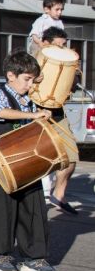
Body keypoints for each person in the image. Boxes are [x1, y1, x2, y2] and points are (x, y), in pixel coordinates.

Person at [0, 50, 59, 271]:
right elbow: (0, 112)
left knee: (34, 209)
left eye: (32, 79)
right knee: (2, 209)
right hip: (4, 161)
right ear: (10, 75)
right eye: (26, 79)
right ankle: (1, 256)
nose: (29, 84)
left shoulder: (32, 97)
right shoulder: (0, 93)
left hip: (30, 161)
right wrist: (34, 116)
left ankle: (34, 257)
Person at [37, 26, 78, 215]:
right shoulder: (33, 62)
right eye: (58, 46)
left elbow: (70, 87)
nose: (63, 50)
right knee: (38, 158)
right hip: (36, 111)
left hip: (58, 112)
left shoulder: (65, 62)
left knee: (71, 158)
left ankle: (58, 195)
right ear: (45, 44)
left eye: (64, 46)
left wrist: (73, 73)